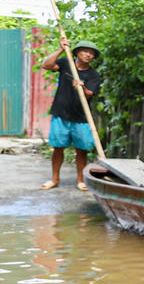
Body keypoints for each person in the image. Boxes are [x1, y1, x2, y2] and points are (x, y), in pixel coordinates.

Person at [40, 37, 102, 192]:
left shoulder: (94, 75)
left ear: (93, 57)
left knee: (82, 149)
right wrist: (61, 48)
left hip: (81, 117)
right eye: (85, 51)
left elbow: (89, 95)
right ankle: (55, 179)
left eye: (91, 53)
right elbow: (46, 65)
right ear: (77, 52)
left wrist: (81, 88)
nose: (88, 55)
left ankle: (80, 180)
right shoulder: (65, 63)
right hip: (61, 114)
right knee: (58, 147)